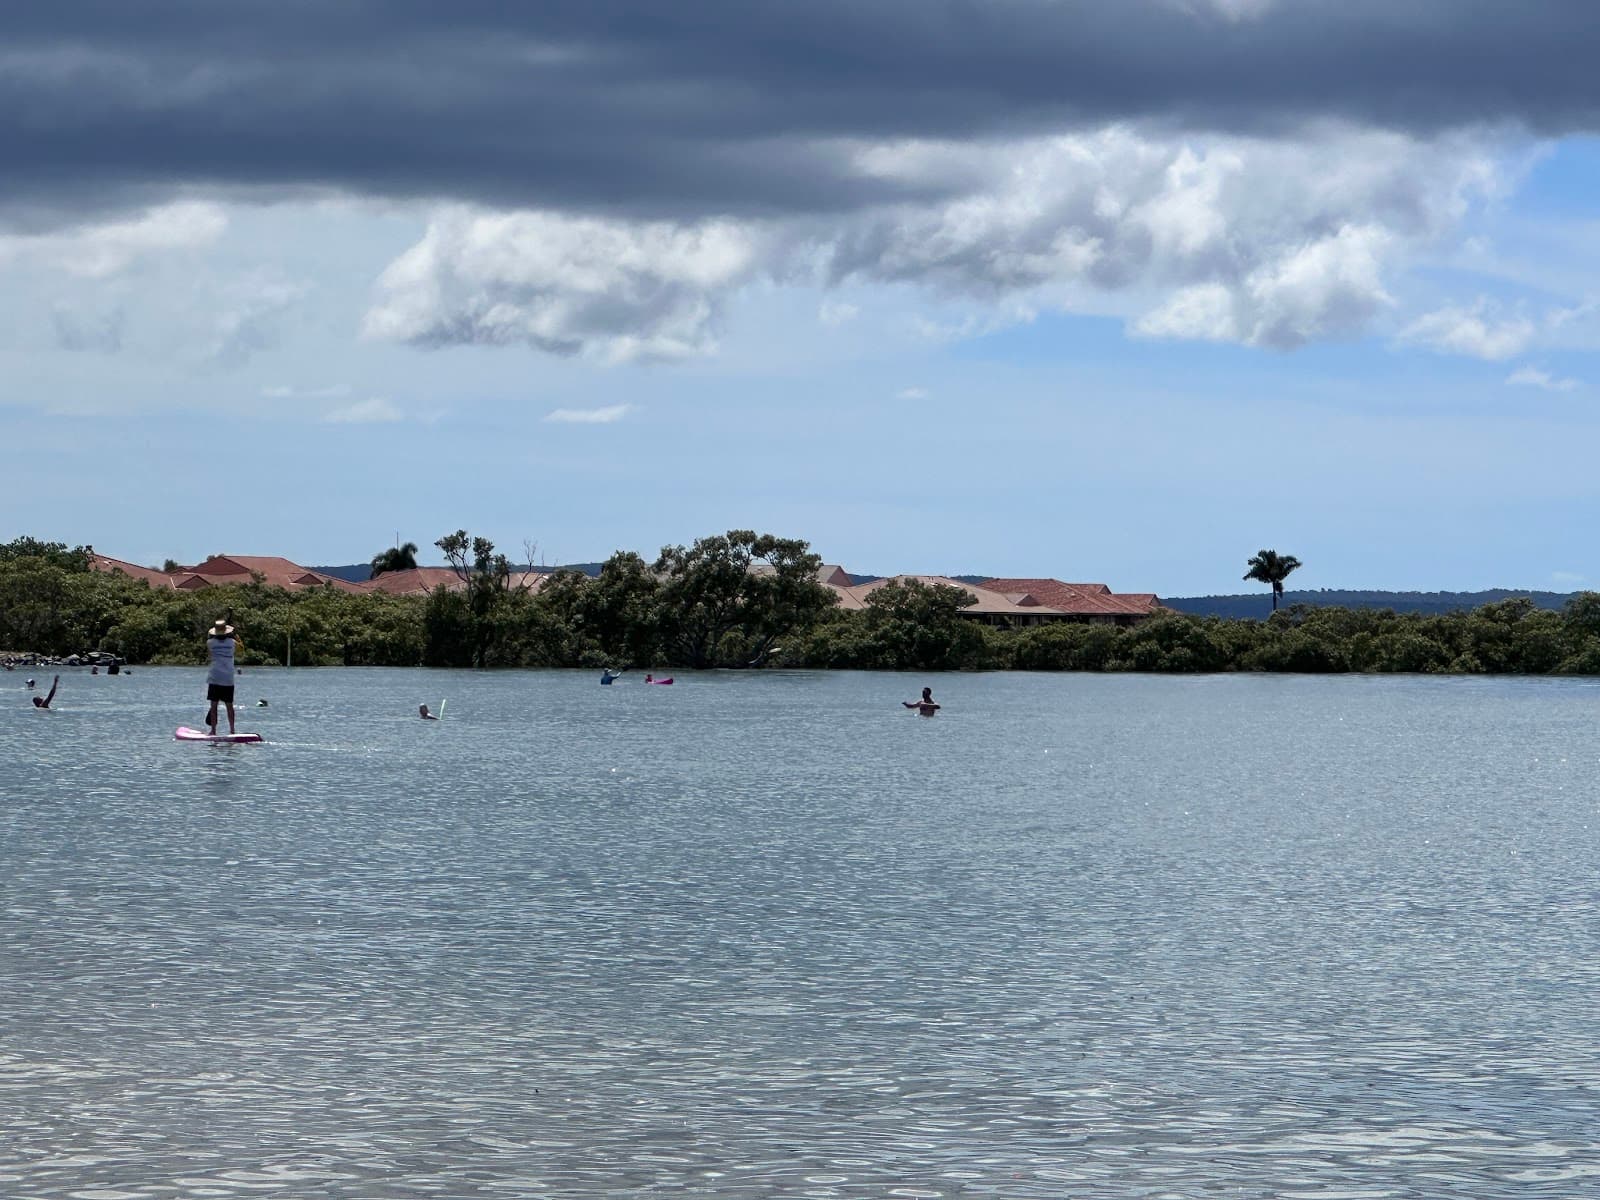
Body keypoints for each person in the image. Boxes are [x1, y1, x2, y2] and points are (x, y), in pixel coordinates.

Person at [204, 619, 242, 735]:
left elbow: (210, 655)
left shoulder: (209, 643)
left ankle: (213, 731)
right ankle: (232, 730)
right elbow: (241, 651)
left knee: (214, 705)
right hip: (228, 678)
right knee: (229, 705)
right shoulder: (232, 642)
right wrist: (237, 637)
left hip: (215, 676)